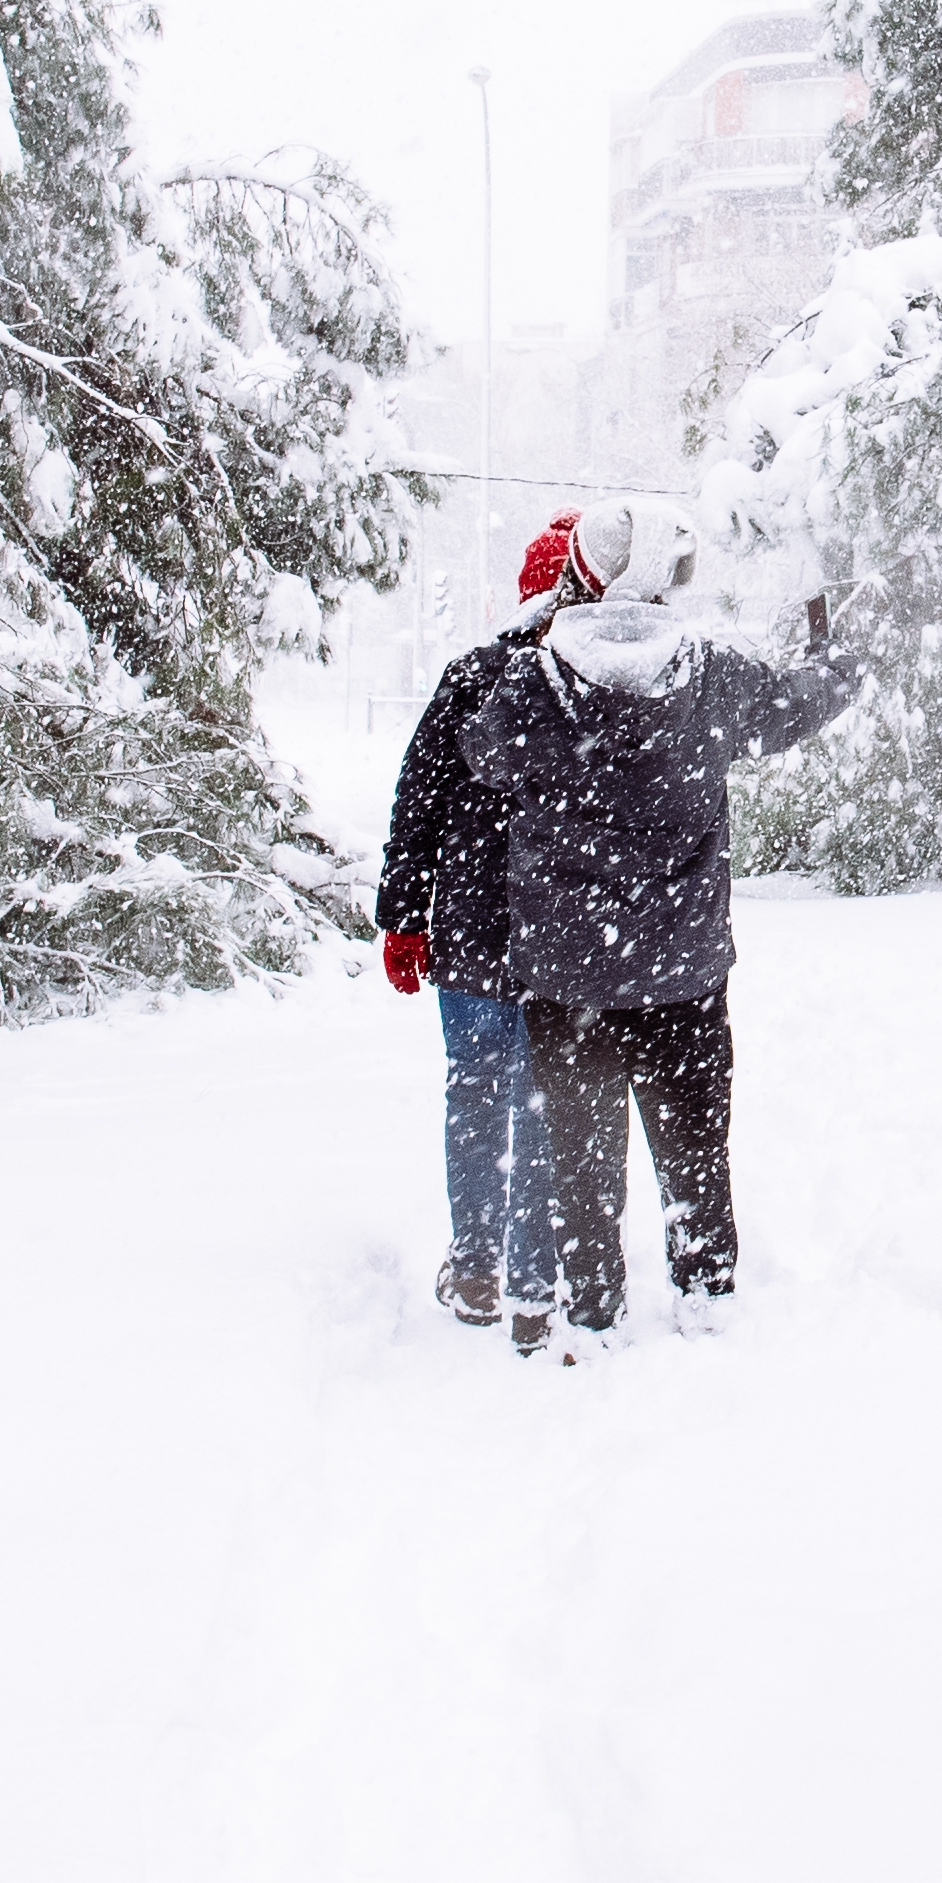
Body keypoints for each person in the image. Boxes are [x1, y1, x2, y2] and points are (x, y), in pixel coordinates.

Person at [449, 501, 861, 1330]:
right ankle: (705, 1302)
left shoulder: (531, 683)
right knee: (696, 1155)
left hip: (568, 980)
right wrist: (840, 663)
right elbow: (794, 707)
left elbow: (481, 754)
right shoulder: (709, 675)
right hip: (683, 975)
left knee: (582, 1169)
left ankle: (593, 1315)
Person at [377, 515, 577, 1343]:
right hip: (557, 945)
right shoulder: (586, 685)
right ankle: (531, 1280)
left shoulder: (472, 677)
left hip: (468, 936)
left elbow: (416, 802)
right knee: (540, 1104)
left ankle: (475, 1269)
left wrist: (403, 918)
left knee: (475, 1096)